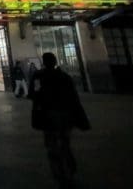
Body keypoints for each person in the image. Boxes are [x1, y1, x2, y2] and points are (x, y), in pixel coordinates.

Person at [30, 52, 90, 189]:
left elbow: (33, 94)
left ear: (44, 62)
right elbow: (74, 97)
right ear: (55, 61)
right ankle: (69, 167)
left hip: (48, 115)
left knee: (51, 145)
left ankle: (59, 173)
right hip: (65, 114)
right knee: (65, 141)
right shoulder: (64, 77)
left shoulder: (39, 76)